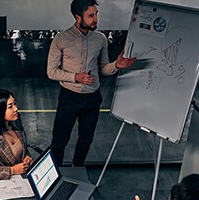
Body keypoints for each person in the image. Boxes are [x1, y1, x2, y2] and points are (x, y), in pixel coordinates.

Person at [47, 0, 136, 167]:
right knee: (59, 141)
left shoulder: (100, 39)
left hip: (92, 99)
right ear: (77, 17)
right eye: (91, 15)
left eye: (96, 14)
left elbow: (102, 68)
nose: (96, 19)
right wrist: (76, 77)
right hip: (69, 98)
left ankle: (78, 169)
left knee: (86, 139)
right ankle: (55, 178)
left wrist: (116, 65)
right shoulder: (61, 39)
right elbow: (51, 72)